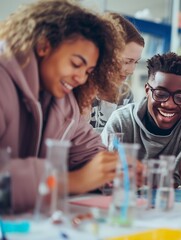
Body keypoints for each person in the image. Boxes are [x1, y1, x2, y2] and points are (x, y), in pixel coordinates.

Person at [0, 0, 124, 212]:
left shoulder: (62, 102)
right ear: (44, 45)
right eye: (76, 64)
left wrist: (112, 168)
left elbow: (87, 150)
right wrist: (71, 181)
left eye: (88, 71)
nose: (81, 79)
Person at [102, 52, 181, 187]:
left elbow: (180, 177)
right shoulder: (121, 121)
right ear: (147, 90)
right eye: (160, 94)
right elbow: (106, 173)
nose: (169, 104)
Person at [89, 13, 145, 131]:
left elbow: (125, 138)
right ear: (105, 54)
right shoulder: (80, 89)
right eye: (126, 61)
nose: (131, 70)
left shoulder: (125, 94)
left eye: (135, 62)